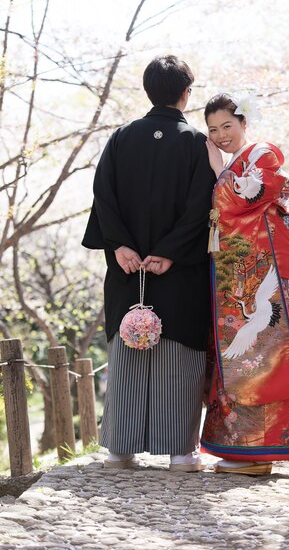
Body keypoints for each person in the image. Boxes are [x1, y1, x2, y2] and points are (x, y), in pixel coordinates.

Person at [82, 55, 215, 471]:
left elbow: (103, 194)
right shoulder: (196, 142)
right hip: (179, 271)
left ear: (148, 90)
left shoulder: (121, 137)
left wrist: (120, 245)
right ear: (186, 93)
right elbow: (201, 207)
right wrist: (171, 251)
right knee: (179, 351)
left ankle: (120, 449)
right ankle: (180, 452)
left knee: (128, 346)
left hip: (128, 270)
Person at [200, 92, 289, 475]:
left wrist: (219, 176)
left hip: (262, 275)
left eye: (227, 125)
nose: (221, 135)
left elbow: (243, 198)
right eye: (213, 129)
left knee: (260, 358)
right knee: (239, 357)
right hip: (242, 279)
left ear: (244, 123)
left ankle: (260, 453)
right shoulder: (238, 162)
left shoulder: (263, 153)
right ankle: (243, 449)